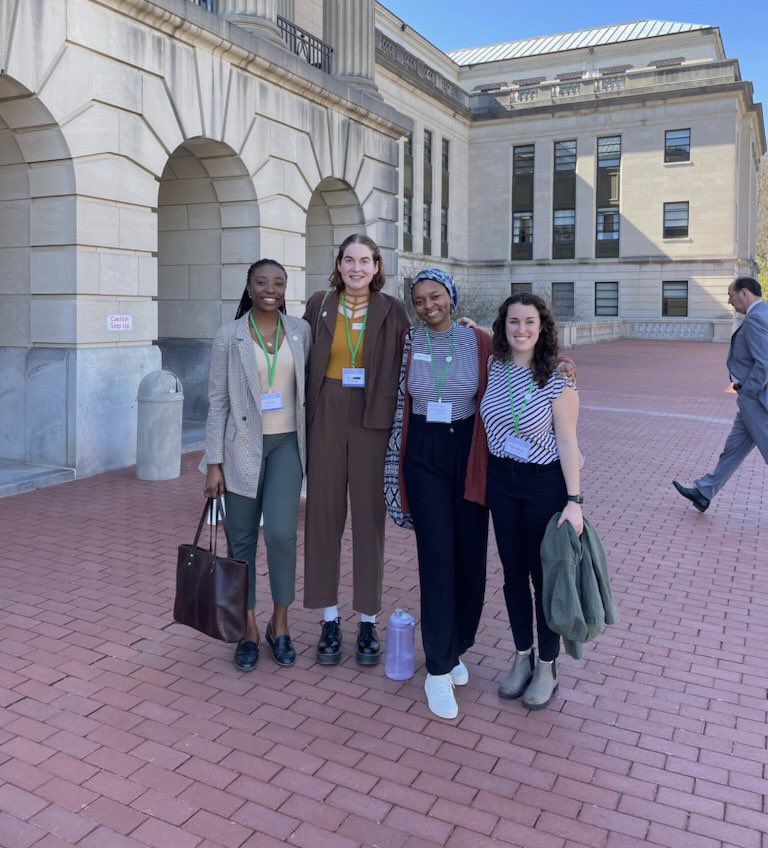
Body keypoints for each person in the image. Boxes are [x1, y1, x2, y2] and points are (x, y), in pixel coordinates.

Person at [303, 234, 410, 666]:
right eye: (349, 259)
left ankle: (367, 618)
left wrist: (469, 330)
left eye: (365, 261)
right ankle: (329, 618)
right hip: (326, 411)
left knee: (369, 518)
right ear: (339, 263)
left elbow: (416, 350)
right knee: (324, 514)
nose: (356, 268)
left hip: (373, 417)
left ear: (377, 266)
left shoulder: (393, 310)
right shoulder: (319, 304)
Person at [201, 259, 312, 671]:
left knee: (282, 534)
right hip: (240, 448)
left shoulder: (300, 331)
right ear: (248, 287)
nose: (271, 289)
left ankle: (279, 624)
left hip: (287, 446)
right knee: (241, 542)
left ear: (286, 289)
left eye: (279, 283)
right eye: (262, 282)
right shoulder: (228, 336)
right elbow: (217, 401)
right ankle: (247, 627)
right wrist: (213, 463)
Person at [480, 292, 583, 710]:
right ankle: (521, 656)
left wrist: (575, 502)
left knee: (543, 579)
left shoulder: (559, 377)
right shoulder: (495, 366)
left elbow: (569, 440)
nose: (521, 330)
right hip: (501, 479)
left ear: (542, 329)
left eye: (529, 322)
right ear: (503, 328)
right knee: (512, 575)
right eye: (513, 322)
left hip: (543, 483)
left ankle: (547, 665)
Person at [397, 269, 491, 720]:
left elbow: (532, 360)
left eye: (435, 296)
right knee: (436, 556)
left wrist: (567, 371)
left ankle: (455, 648)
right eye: (418, 300)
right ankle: (436, 668)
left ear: (451, 297)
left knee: (470, 556)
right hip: (425, 454)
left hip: (469, 451)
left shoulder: (480, 341)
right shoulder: (408, 343)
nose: (427, 305)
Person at [673, 276, 768, 512]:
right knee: (733, 449)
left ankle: (705, 490)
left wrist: (750, 392)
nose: (729, 301)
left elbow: (764, 361)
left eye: (731, 295)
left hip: (755, 399)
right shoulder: (761, 313)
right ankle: (704, 492)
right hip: (750, 401)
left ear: (744, 293)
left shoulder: (757, 317)